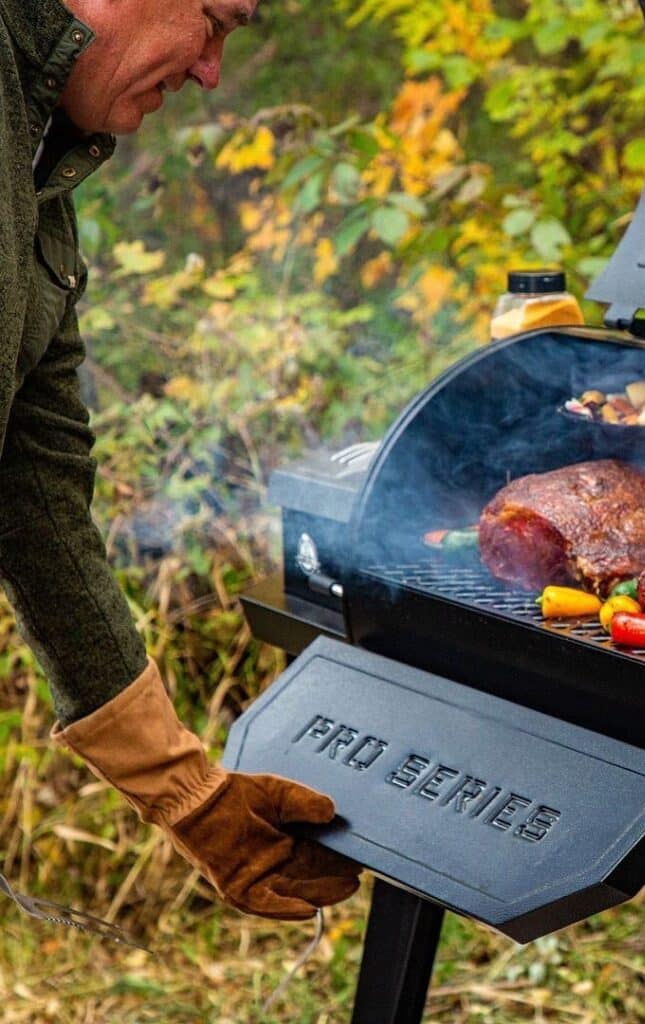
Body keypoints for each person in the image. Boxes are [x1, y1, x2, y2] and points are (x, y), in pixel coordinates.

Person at [0, 0, 361, 921]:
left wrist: (187, 794)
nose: (210, 71)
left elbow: (35, 487)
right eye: (216, 22)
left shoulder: (38, 172)